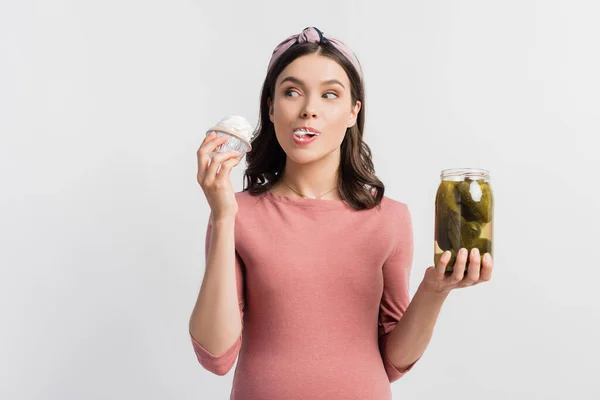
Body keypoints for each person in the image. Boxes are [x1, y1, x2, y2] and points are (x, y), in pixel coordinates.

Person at [189, 27, 494, 400]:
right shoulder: (237, 214)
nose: (308, 109)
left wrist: (435, 289)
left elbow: (393, 361)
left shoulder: (390, 219)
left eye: (330, 94)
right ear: (270, 107)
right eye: (291, 92)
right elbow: (216, 356)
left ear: (354, 111)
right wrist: (222, 217)